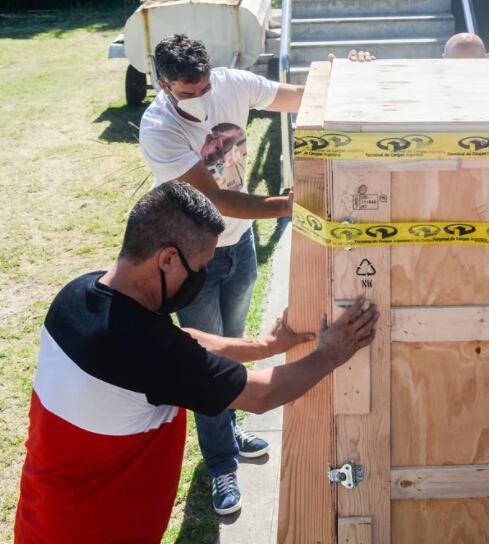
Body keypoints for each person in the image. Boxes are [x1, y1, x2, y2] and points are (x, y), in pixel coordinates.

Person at [14, 181, 378, 543]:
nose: (201, 279)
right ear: (168, 258)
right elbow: (263, 395)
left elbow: (186, 340)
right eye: (200, 267)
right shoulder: (151, 354)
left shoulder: (80, 295)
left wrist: (263, 345)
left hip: (42, 518)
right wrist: (332, 352)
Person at [138, 34, 372, 515]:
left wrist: (346, 74)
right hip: (192, 260)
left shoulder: (231, 85)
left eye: (204, 84)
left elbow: (296, 97)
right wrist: (284, 206)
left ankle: (231, 420)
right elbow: (214, 200)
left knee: (236, 344)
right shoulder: (158, 128)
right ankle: (222, 464)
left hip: (239, 245)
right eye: (187, 90)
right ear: (163, 85)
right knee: (203, 361)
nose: (200, 94)